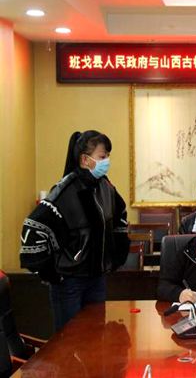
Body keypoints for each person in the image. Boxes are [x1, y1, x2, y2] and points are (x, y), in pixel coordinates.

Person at [19, 130, 130, 331]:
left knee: (96, 337)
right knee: (70, 340)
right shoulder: (65, 190)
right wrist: (49, 273)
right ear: (85, 160)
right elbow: (33, 226)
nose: (107, 161)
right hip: (69, 283)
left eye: (108, 156)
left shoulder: (105, 187)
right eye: (102, 157)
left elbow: (119, 214)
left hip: (97, 279)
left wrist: (117, 255)